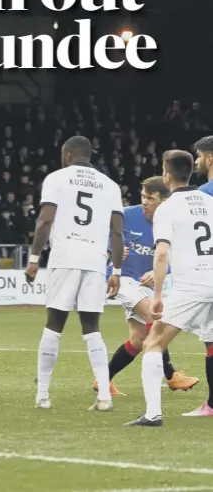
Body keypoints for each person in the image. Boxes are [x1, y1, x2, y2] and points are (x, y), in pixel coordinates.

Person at [25, 136, 124, 412]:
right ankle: (104, 396)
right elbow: (117, 231)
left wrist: (34, 259)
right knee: (92, 328)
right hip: (95, 260)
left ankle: (42, 395)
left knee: (54, 323)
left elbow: (45, 219)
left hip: (65, 255)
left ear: (68, 154)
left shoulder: (57, 178)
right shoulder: (111, 185)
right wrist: (115, 270)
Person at [127, 150, 213, 426]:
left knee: (152, 343)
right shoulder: (210, 202)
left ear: (166, 174)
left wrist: (156, 296)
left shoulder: (168, 207)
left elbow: (161, 253)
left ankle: (153, 414)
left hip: (192, 287)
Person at [97, 177, 198, 395]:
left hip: (144, 285)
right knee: (155, 316)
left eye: (150, 198)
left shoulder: (172, 220)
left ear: (164, 200)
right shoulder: (127, 214)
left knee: (139, 340)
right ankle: (172, 375)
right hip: (121, 280)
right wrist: (112, 249)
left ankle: (102, 380)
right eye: (143, 196)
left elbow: (176, 255)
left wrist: (159, 271)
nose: (144, 201)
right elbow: (105, 234)